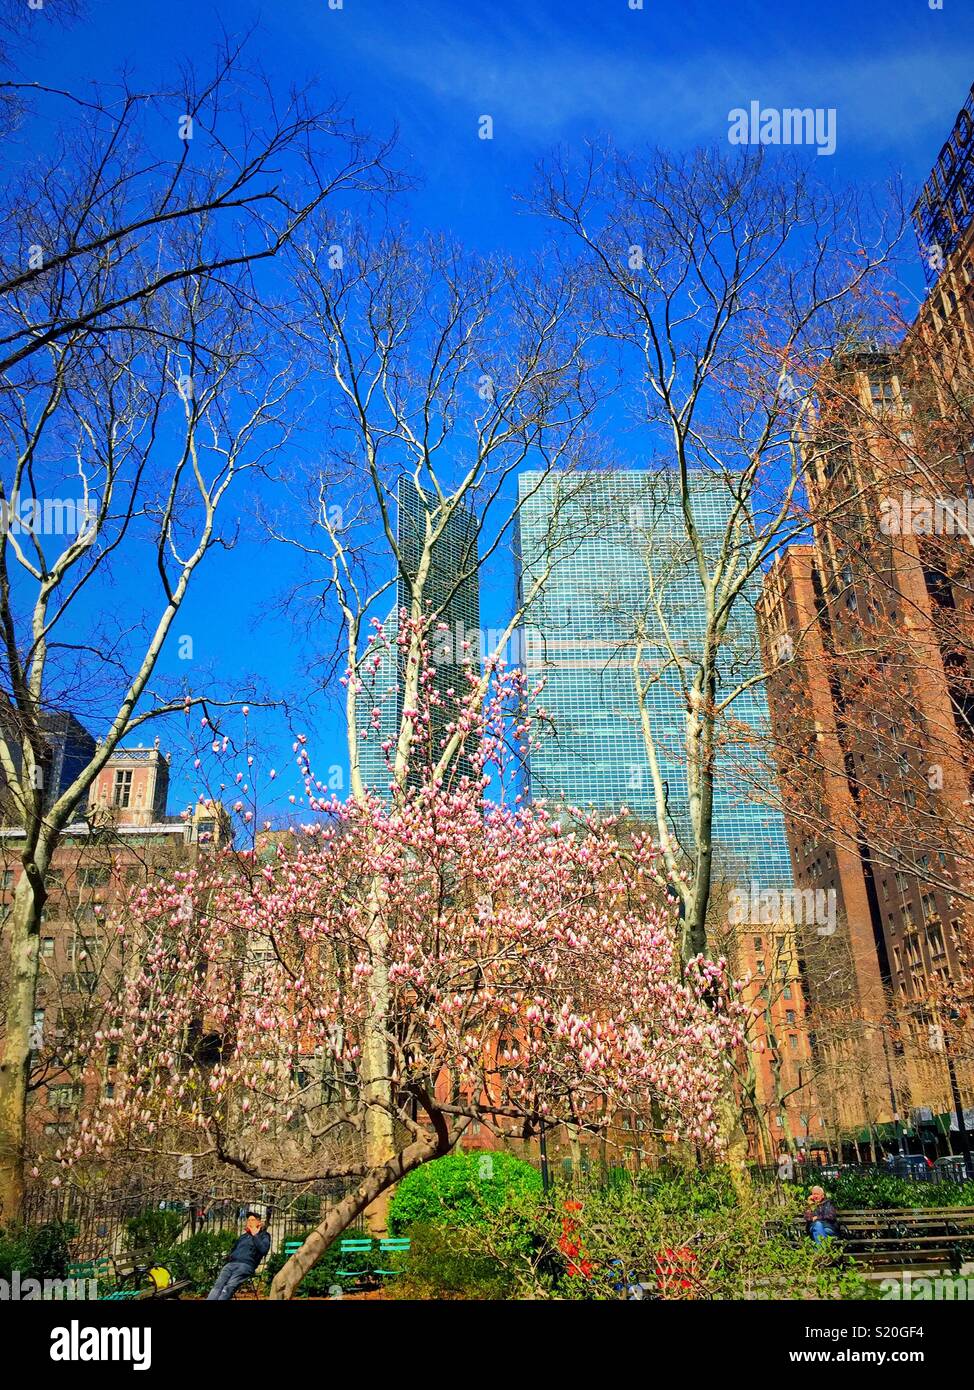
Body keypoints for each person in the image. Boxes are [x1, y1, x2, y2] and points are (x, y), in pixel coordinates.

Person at [207, 1211, 271, 1300]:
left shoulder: (264, 1236)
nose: (249, 1222)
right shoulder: (243, 1236)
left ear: (259, 1222)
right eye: (248, 1220)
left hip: (245, 1266)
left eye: (252, 1220)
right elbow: (233, 1249)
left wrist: (255, 1235)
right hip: (231, 1264)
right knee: (217, 1287)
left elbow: (264, 1250)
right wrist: (230, 1257)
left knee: (228, 1288)